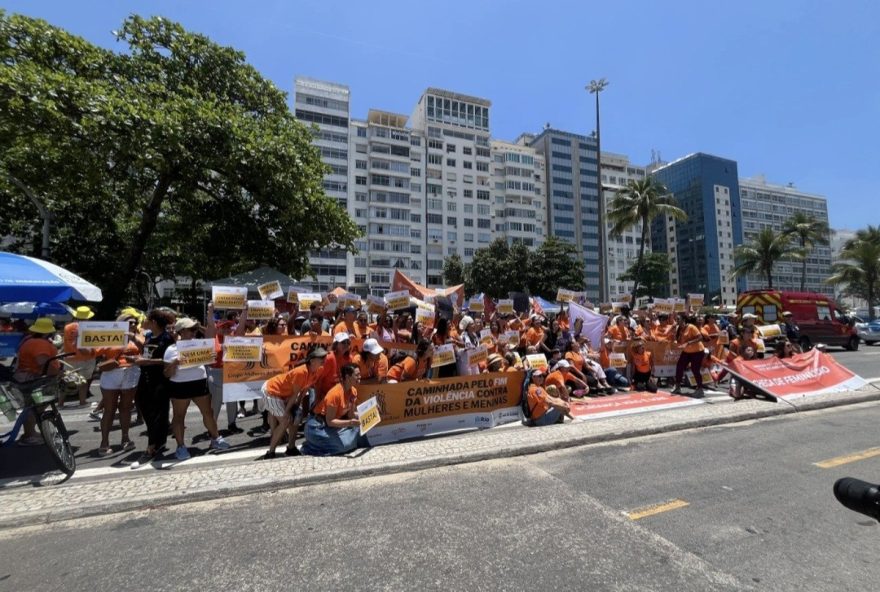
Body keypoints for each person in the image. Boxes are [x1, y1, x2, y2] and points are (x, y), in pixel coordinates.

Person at [163, 318, 230, 460]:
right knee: (179, 416)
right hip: (180, 385)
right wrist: (175, 363)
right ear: (181, 331)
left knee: (208, 413)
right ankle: (181, 446)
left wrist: (211, 356)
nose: (194, 332)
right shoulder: (171, 350)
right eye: (191, 329)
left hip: (199, 382)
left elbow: (212, 338)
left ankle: (215, 438)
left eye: (195, 329)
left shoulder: (201, 345)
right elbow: (167, 374)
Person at [259, 347, 327, 459]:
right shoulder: (301, 372)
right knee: (286, 421)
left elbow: (305, 389)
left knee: (296, 417)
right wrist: (287, 412)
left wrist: (296, 408)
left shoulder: (318, 370)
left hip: (284, 394)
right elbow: (295, 394)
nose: (324, 359)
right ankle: (270, 452)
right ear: (312, 361)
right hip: (271, 391)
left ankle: (291, 448)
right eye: (321, 358)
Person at [131, 308, 176, 463]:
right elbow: (146, 352)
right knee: (145, 407)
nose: (144, 322)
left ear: (154, 322)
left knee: (157, 413)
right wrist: (137, 357)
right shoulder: (149, 336)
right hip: (146, 377)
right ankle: (160, 441)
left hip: (160, 379)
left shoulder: (167, 339)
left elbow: (168, 361)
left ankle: (152, 446)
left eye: (147, 319)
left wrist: (146, 362)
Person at [94, 315, 143, 456]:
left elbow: (144, 348)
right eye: (130, 322)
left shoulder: (137, 336)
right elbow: (94, 352)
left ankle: (125, 437)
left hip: (131, 371)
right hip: (111, 373)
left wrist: (132, 337)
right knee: (109, 409)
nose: (133, 324)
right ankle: (104, 441)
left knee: (126, 407)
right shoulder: (109, 336)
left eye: (135, 322)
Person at [12, 317, 61, 446]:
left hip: (25, 377)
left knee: (33, 407)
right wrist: (55, 373)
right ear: (47, 332)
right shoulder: (40, 344)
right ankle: (29, 435)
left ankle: (30, 433)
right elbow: (43, 361)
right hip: (33, 378)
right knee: (35, 407)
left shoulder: (29, 341)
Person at [302, 363, 368, 456]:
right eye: (357, 375)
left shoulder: (353, 391)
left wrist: (369, 412)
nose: (360, 377)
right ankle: (309, 447)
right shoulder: (335, 394)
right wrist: (350, 423)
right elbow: (330, 421)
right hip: (318, 426)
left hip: (333, 427)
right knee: (342, 447)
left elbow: (351, 415)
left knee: (359, 433)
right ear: (348, 377)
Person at [61, 306, 97, 407]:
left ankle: (60, 403)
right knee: (84, 382)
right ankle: (82, 401)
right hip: (86, 358)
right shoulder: (89, 328)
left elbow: (65, 341)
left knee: (67, 381)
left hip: (70, 357)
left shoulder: (67, 327)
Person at [672, 313, 706, 397]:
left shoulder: (691, 327)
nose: (677, 321)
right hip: (686, 352)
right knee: (679, 366)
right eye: (676, 319)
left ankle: (700, 389)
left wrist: (688, 343)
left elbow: (700, 338)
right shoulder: (679, 328)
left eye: (678, 319)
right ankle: (677, 386)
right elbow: (679, 340)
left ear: (683, 320)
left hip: (697, 351)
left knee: (695, 369)